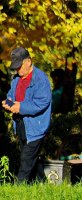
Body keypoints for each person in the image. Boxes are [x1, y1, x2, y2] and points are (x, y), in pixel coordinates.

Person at [2, 47, 52, 183]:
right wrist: (8, 103)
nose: (17, 70)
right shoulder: (16, 79)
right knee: (32, 160)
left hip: (36, 127)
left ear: (28, 61)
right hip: (21, 124)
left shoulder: (40, 79)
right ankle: (43, 186)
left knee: (26, 159)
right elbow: (11, 96)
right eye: (15, 67)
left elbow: (42, 103)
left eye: (19, 66)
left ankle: (18, 189)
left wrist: (20, 107)